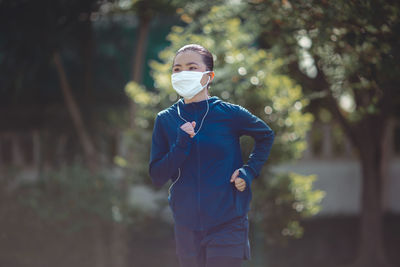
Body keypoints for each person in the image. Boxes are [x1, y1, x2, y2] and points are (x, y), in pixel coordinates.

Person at [149, 44, 274, 267]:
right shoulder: (165, 119)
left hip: (228, 221)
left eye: (191, 67)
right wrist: (181, 144)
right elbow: (157, 175)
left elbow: (266, 135)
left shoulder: (230, 113)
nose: (182, 73)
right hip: (186, 225)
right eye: (177, 69)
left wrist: (248, 171)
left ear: (209, 76)